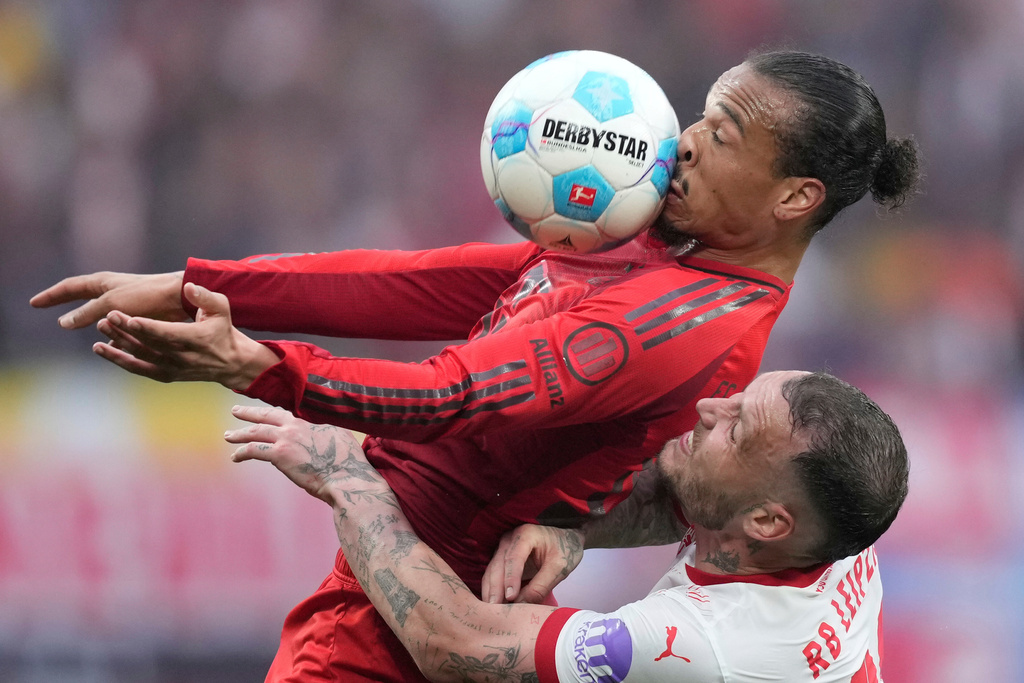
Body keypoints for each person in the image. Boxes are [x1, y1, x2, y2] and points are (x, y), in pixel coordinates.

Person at [30, 51, 920, 681]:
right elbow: (429, 286)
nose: (684, 141)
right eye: (702, 114)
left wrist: (257, 366)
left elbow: (454, 395)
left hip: (399, 624)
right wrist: (199, 285)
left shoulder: (684, 324)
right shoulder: (664, 250)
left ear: (795, 197)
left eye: (723, 136)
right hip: (396, 587)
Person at [226, 370, 910, 682]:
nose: (708, 408)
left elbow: (455, 641)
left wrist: (350, 482)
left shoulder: (703, 644)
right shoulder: (840, 526)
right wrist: (570, 526)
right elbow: (687, 498)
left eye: (738, 427)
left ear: (768, 520)